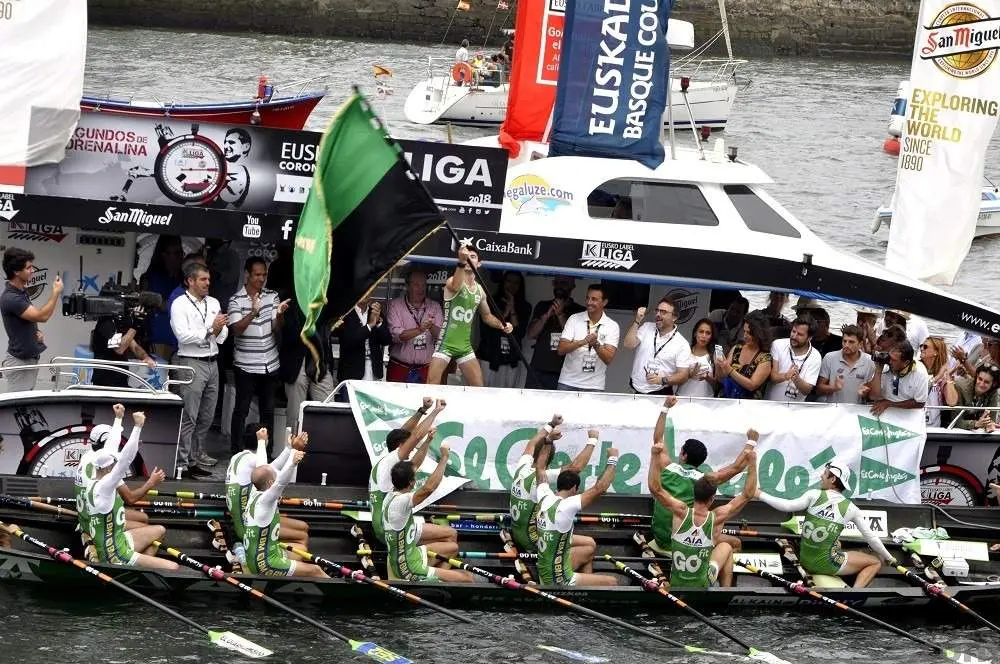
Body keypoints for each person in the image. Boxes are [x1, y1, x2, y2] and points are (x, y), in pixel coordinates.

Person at [756, 462, 896, 588]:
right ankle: (855, 593)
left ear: (833, 479)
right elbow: (871, 538)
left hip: (805, 559)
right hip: (826, 564)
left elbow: (786, 506)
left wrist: (759, 494)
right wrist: (889, 558)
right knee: (875, 562)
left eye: (824, 474)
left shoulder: (813, 495)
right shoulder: (851, 509)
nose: (821, 476)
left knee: (838, 544)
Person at [649, 396, 756, 554]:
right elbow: (737, 467)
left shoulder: (666, 465)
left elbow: (658, 438)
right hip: (683, 541)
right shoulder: (706, 480)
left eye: (680, 451)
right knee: (735, 543)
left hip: (659, 537)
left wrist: (665, 407)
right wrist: (752, 441)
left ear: (684, 456)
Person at [648, 440, 758, 588]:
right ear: (712, 499)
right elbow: (747, 494)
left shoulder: (680, 512)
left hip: (675, 584)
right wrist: (752, 463)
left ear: (693, 493)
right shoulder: (717, 518)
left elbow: (655, 489)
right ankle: (725, 592)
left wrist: (655, 455)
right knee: (726, 547)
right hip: (702, 584)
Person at [85, 410, 178, 571]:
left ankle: (141, 568)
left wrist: (119, 418)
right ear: (109, 467)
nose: (117, 467)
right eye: (114, 464)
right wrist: (138, 426)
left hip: (119, 539)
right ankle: (134, 568)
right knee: (174, 567)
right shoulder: (106, 486)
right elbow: (126, 459)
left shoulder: (96, 477)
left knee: (160, 530)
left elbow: (112, 446)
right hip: (115, 554)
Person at [369, 398, 454, 551]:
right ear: (400, 446)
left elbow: (406, 437)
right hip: (389, 527)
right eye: (407, 446)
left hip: (385, 522)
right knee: (450, 537)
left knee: (444, 538)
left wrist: (422, 411)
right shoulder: (389, 461)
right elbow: (414, 436)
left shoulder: (387, 457)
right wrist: (435, 411)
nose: (412, 449)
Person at [170, 262, 229, 479]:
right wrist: (210, 330)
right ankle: (180, 463)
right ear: (190, 281)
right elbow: (183, 336)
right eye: (203, 280)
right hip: (190, 361)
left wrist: (218, 330)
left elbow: (222, 335)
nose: (207, 283)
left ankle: (194, 459)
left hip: (213, 362)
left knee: (207, 416)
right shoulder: (179, 304)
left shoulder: (213, 302)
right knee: (189, 416)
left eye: (209, 280)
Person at [508, 414, 597, 552]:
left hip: (517, 533)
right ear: (549, 459)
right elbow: (575, 469)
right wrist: (593, 439)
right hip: (533, 540)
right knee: (590, 544)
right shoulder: (543, 477)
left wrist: (551, 423)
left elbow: (532, 443)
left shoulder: (522, 466)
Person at [228, 258, 290, 455]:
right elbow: (236, 330)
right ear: (247, 274)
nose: (261, 278)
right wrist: (253, 312)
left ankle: (266, 451)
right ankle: (237, 451)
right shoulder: (236, 299)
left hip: (269, 363)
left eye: (264, 274)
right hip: (245, 364)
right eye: (257, 274)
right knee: (241, 410)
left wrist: (279, 315)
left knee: (268, 412)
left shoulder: (272, 296)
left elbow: (276, 327)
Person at [427, 244, 512, 387]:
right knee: (432, 383)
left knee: (479, 387)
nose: (468, 259)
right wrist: (461, 262)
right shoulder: (452, 280)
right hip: (446, 343)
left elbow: (487, 316)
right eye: (466, 257)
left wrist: (502, 325)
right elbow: (455, 287)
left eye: (473, 257)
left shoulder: (480, 290)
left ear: (479, 264)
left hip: (465, 346)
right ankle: (430, 409)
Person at [226, 424, 311, 568]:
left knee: (303, 527)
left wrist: (290, 449)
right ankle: (291, 568)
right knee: (303, 535)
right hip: (250, 525)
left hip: (248, 516)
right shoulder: (256, 464)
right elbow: (274, 476)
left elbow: (270, 469)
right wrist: (293, 454)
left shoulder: (238, 457)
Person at [534, 444, 619, 586]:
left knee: (589, 550)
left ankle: (586, 590)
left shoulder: (543, 494)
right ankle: (584, 589)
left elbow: (540, 468)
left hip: (545, 568)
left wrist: (548, 441)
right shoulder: (567, 506)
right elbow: (600, 488)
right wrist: (613, 459)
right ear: (574, 488)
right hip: (558, 578)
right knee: (612, 582)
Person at [384, 449, 475, 582]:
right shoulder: (402, 502)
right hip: (408, 568)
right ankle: (436, 579)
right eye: (415, 477)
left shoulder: (391, 494)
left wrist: (428, 440)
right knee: (469, 578)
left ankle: (439, 580)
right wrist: (444, 458)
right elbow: (429, 488)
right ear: (412, 482)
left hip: (411, 555)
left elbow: (411, 467)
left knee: (452, 548)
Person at [76, 404, 166, 534]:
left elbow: (114, 447)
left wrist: (119, 418)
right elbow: (130, 499)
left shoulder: (88, 457)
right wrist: (151, 483)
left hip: (87, 513)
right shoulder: (107, 471)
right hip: (98, 522)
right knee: (149, 528)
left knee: (144, 517)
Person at [244, 446, 328, 578]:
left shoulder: (256, 491)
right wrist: (292, 463)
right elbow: (281, 482)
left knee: (302, 550)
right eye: (275, 475)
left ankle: (294, 576)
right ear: (271, 483)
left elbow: (262, 466)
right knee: (316, 570)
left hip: (268, 553)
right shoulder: (266, 501)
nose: (278, 473)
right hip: (265, 564)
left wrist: (291, 448)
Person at [1, 247, 63, 391]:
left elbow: (27, 319)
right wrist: (55, 292)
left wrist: (36, 333)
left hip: (28, 360)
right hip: (20, 363)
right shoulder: (11, 297)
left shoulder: (21, 292)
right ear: (16, 271)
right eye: (29, 268)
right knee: (18, 408)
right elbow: (42, 316)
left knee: (24, 405)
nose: (32, 271)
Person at [557, 284, 620, 392]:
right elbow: (561, 350)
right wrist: (582, 342)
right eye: (587, 298)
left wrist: (595, 344)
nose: (589, 302)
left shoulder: (612, 326)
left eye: (594, 299)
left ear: (604, 302)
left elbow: (608, 359)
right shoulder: (574, 318)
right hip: (567, 382)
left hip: (594, 386)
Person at [525, 276, 584, 390]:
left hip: (564, 373)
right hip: (538, 368)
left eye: (564, 283)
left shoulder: (579, 311)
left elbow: (577, 340)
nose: (559, 286)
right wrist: (545, 317)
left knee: (558, 407)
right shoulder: (542, 306)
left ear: (573, 286)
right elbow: (530, 335)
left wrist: (561, 315)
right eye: (556, 283)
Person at [624, 297, 692, 396]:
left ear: (674, 317)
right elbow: (628, 344)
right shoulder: (647, 327)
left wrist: (662, 380)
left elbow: (683, 375)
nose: (658, 314)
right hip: (635, 389)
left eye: (663, 312)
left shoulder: (682, 344)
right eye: (657, 311)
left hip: (660, 393)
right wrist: (637, 321)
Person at [386, 267, 443, 384]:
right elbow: (396, 336)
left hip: (425, 368)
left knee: (425, 401)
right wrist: (420, 329)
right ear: (407, 286)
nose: (421, 289)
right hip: (399, 367)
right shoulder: (395, 305)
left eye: (423, 285)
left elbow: (442, 336)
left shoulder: (434, 306)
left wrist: (431, 326)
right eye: (416, 285)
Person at [478, 271, 531, 388]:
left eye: (516, 283)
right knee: (485, 393)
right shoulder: (490, 301)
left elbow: (519, 333)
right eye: (508, 281)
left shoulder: (525, 306)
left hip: (511, 359)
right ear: (503, 282)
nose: (511, 285)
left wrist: (512, 309)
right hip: (489, 356)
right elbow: (486, 330)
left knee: (508, 396)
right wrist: (506, 311)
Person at [139, 235, 184, 361]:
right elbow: (146, 302)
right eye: (174, 253)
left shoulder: (184, 279)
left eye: (180, 252)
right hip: (158, 340)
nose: (179, 257)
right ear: (163, 254)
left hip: (181, 342)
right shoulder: (150, 278)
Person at [90, 304, 156, 388]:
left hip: (121, 380)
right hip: (105, 383)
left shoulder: (120, 327)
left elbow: (134, 346)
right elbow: (119, 349)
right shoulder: (105, 325)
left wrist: (145, 357)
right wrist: (135, 326)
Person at [861, 339, 928, 416]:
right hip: (883, 410)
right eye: (889, 357)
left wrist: (890, 404)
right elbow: (873, 396)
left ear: (906, 363)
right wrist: (878, 371)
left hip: (907, 414)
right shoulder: (885, 365)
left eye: (894, 360)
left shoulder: (920, 373)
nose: (889, 362)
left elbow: (920, 403)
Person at [336, 298, 392, 387]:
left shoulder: (375, 312)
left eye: (368, 291)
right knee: (350, 400)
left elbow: (387, 340)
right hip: (352, 372)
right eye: (363, 291)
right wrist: (370, 325)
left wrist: (379, 323)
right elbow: (349, 341)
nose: (366, 294)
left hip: (375, 371)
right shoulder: (345, 313)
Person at [716, 312, 773, 399]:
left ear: (759, 333)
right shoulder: (736, 349)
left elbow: (752, 385)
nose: (745, 336)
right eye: (744, 331)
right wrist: (718, 366)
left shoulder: (765, 358)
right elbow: (721, 379)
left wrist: (730, 370)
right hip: (727, 402)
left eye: (749, 333)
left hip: (748, 407)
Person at [766, 317, 823, 402]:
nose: (794, 336)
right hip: (770, 403)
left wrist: (797, 379)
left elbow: (806, 390)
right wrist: (785, 376)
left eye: (800, 334)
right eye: (793, 331)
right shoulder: (778, 344)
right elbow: (773, 376)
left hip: (795, 410)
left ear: (809, 338)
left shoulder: (815, 356)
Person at [815, 325, 875, 405]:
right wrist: (834, 388)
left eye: (851, 342)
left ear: (860, 344)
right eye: (844, 341)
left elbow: (873, 395)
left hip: (857, 411)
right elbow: (818, 389)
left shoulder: (870, 361)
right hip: (833, 409)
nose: (846, 345)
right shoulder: (829, 357)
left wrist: (865, 394)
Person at [943, 364, 1000, 431]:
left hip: (975, 434)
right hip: (949, 431)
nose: (981, 384)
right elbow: (956, 422)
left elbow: (991, 421)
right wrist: (976, 424)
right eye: (980, 379)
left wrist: (989, 424)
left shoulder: (993, 392)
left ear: (994, 384)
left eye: (986, 382)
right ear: (976, 377)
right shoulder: (960, 387)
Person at [677, 318, 720, 398]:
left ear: (711, 336)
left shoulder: (714, 355)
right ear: (695, 333)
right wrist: (690, 375)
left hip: (705, 400)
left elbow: (718, 385)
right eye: (701, 332)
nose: (704, 336)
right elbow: (675, 377)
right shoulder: (685, 351)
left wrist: (707, 378)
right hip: (683, 397)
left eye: (708, 333)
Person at [919, 337, 950, 427]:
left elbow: (951, 402)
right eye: (921, 346)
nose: (921, 349)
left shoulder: (944, 374)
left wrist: (948, 377)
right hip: (916, 421)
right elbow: (920, 388)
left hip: (934, 425)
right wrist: (937, 377)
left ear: (936, 352)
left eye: (925, 347)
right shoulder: (916, 367)